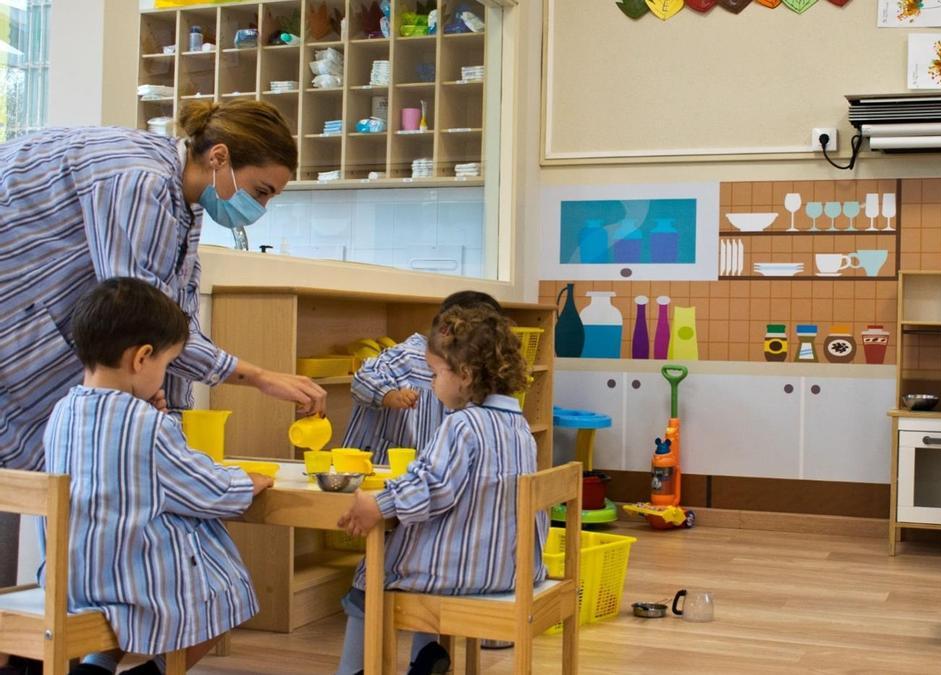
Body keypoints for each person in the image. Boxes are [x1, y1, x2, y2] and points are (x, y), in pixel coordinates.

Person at [0, 100, 326, 593]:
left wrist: (168, 403)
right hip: (20, 324)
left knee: (53, 484)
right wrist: (256, 376)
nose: (261, 207)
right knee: (30, 486)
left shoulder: (183, 203)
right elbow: (139, 317)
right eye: (261, 191)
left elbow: (173, 318)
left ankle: (51, 633)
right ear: (219, 157)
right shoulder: (139, 179)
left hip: (34, 332)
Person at [42, 278, 272, 675]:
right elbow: (207, 491)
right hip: (132, 587)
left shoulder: (62, 412)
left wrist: (151, 415)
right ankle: (158, 671)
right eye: (165, 365)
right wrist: (246, 482)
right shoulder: (148, 425)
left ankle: (94, 668)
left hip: (71, 581)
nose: (162, 377)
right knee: (227, 590)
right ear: (142, 358)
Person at [335, 306, 547, 675]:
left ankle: (352, 671)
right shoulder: (519, 427)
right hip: (514, 569)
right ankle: (425, 658)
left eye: (435, 375)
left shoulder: (461, 425)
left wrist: (378, 504)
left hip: (463, 572)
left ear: (464, 375)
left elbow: (430, 487)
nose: (431, 385)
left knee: (370, 577)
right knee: (416, 548)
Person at [343, 291, 502, 463]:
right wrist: (390, 395)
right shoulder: (410, 355)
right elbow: (363, 378)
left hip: (422, 475)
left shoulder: (469, 368)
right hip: (372, 466)